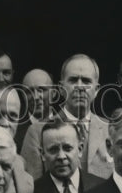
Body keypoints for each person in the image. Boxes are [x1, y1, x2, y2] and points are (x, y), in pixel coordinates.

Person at [21, 53, 112, 181]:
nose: (79, 86)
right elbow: (32, 189)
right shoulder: (37, 132)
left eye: (86, 81)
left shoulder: (110, 130)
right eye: (73, 80)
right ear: (61, 88)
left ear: (96, 90)